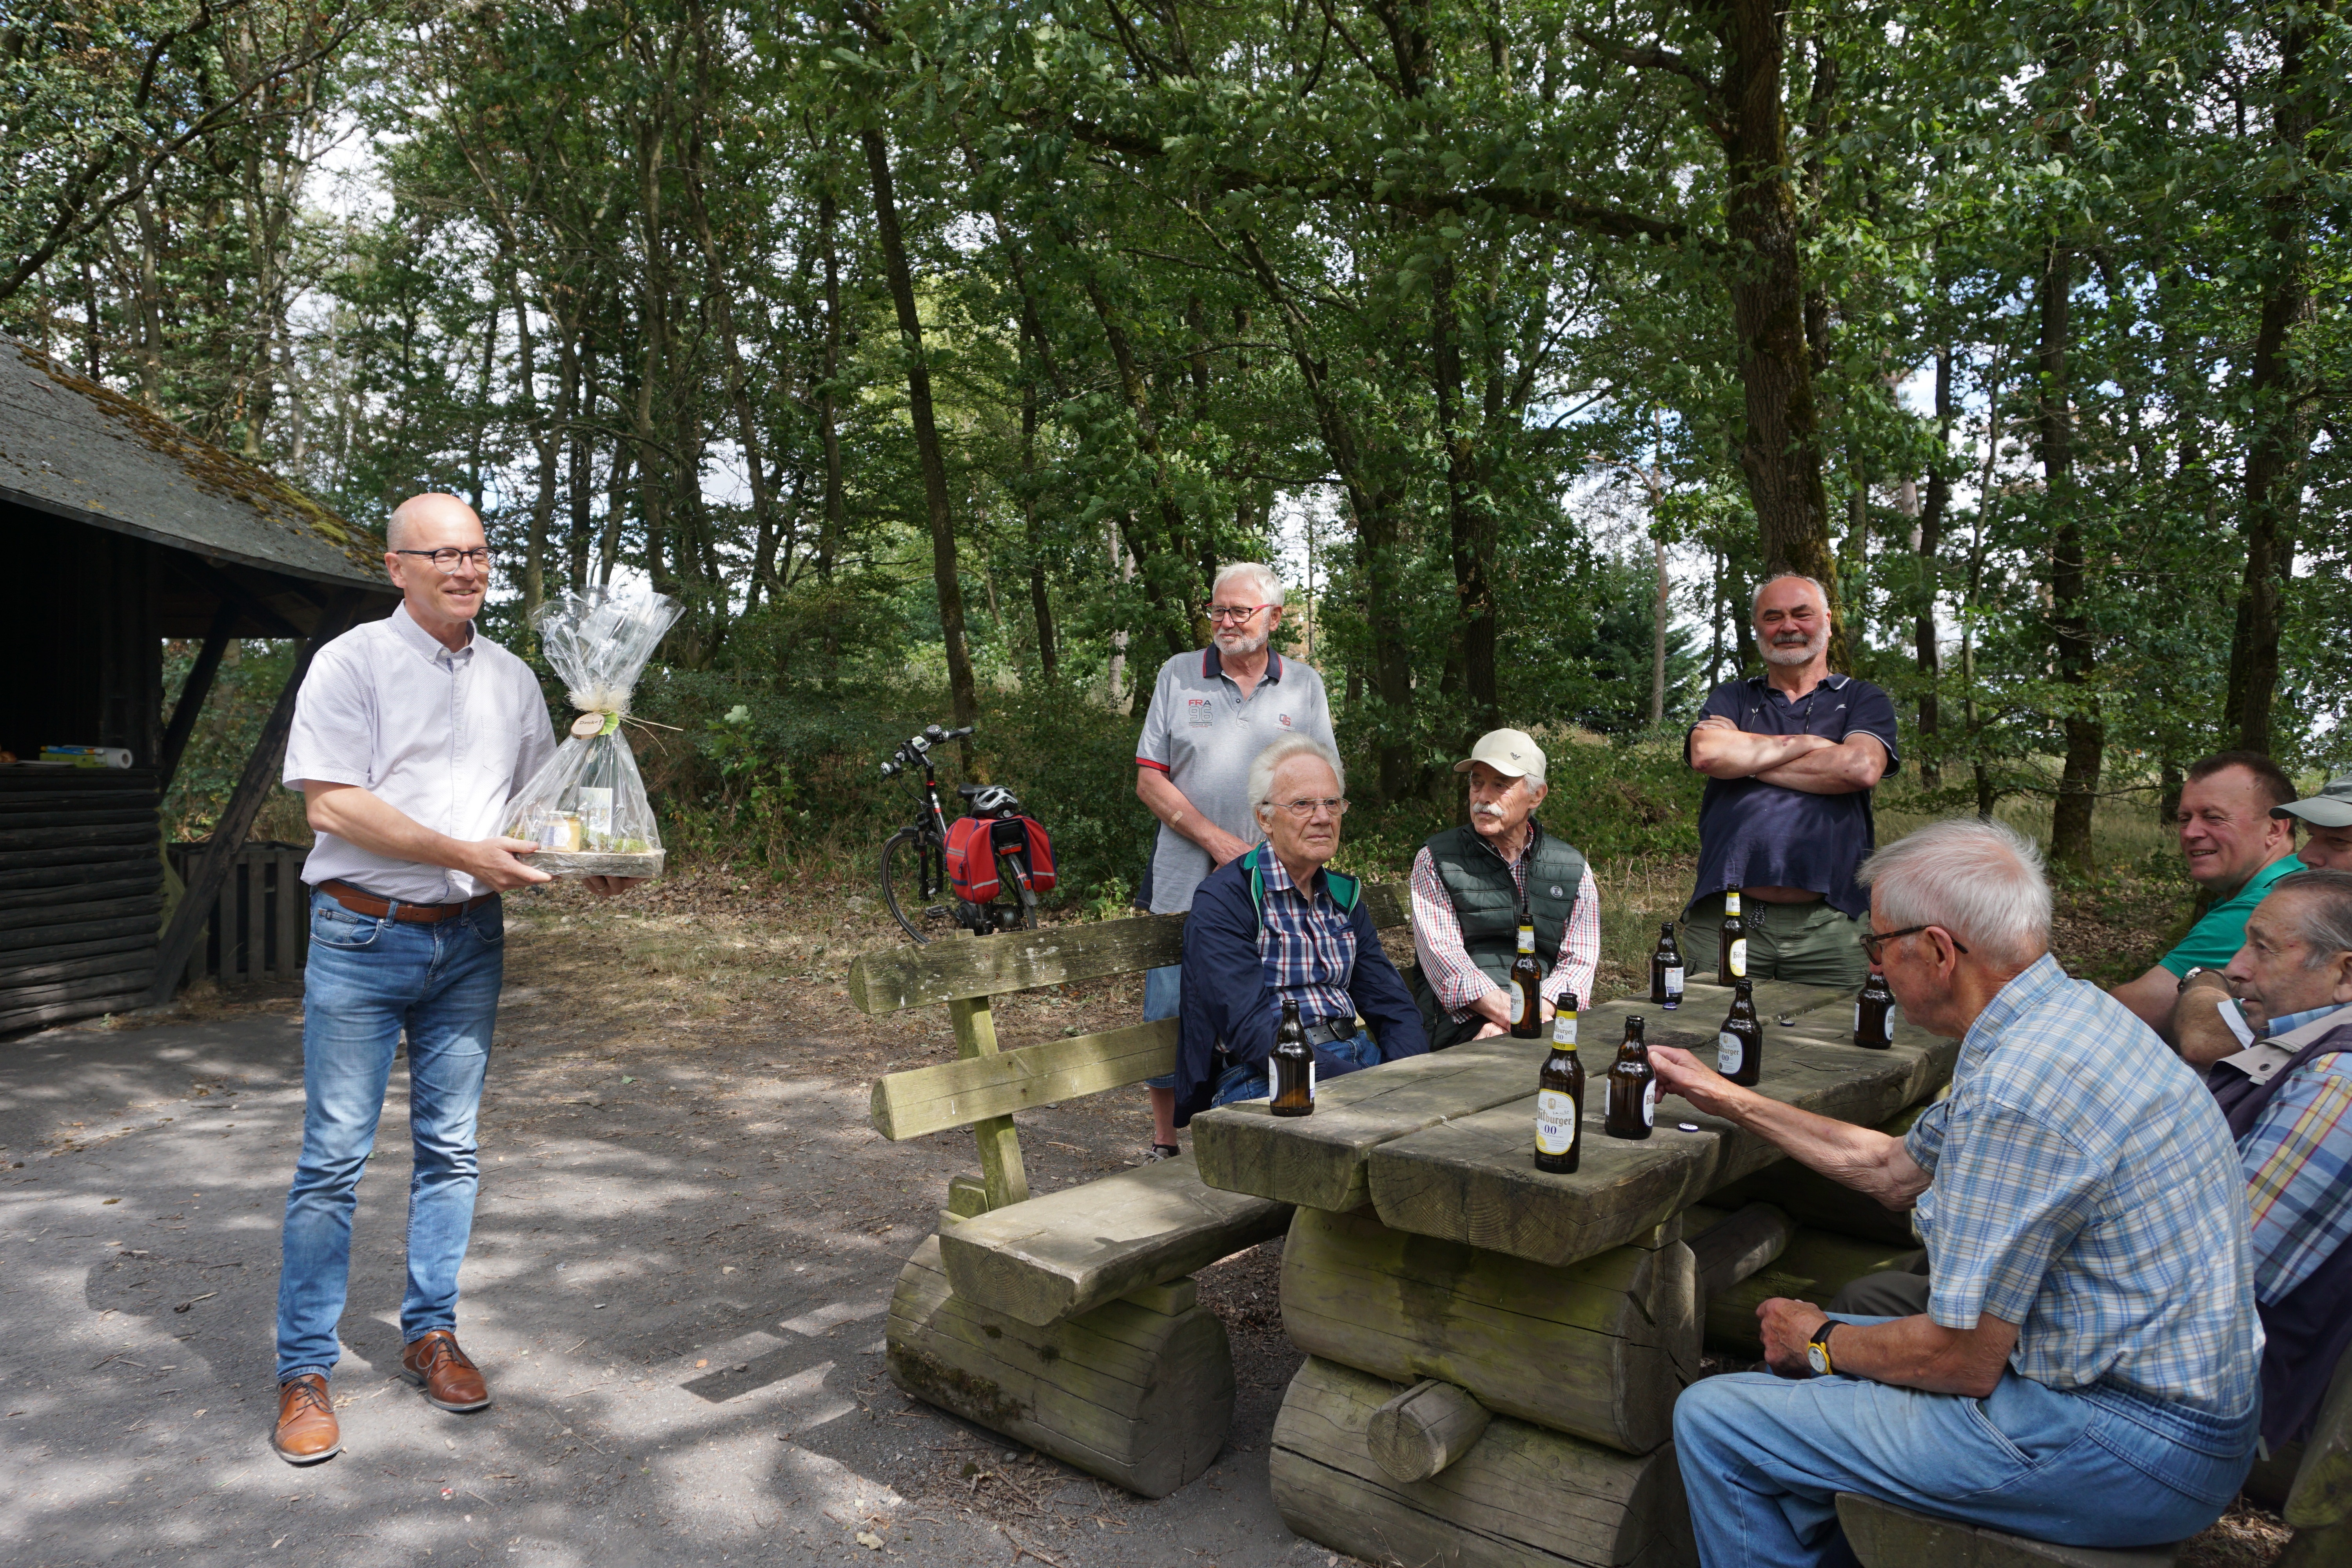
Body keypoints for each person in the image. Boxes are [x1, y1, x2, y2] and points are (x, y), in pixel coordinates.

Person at [1651, 818, 2260, 1566]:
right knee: (1806, 1375)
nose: (1871, 965)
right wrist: (1727, 1099)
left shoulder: (2021, 1089)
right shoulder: (2064, 1018)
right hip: (2170, 1413)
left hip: (2122, 1445)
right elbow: (1892, 1171)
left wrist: (1819, 1342)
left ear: (1938, 951)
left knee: (1721, 1419)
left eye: (1877, 945)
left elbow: (1961, 1360)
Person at [269, 494, 641, 1466]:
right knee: (334, 1158)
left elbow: (531, 810)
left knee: (453, 1148)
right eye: (443, 554)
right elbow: (331, 804)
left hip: (469, 939)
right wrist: (461, 851)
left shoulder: (514, 678)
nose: (466, 569)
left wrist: (591, 852)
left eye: (477, 552)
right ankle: (304, 1369)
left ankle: (430, 1331)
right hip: (361, 932)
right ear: (397, 566)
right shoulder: (351, 662)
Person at [1133, 563, 1334, 1158]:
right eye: (1217, 610)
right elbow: (1150, 778)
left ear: (1273, 618)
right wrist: (1218, 842)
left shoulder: (1304, 686)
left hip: (1275, 875)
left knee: (1268, 996)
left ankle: (1254, 1136)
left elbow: (1319, 781)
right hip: (1182, 872)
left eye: (1238, 611)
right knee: (1170, 1001)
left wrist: (1284, 850)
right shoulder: (1178, 675)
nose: (1223, 622)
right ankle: (1166, 1144)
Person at [1172, 735, 1426, 1120]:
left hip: (1361, 1061)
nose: (1323, 817)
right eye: (1303, 804)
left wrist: (1404, 1077)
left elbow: (1393, 1007)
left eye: (1332, 803)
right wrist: (1362, 1086)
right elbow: (1252, 1030)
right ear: (1265, 818)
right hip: (1267, 1077)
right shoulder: (1227, 900)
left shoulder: (1343, 897)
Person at [1683, 574, 1897, 991]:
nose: (1788, 627)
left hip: (1832, 925)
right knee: (1704, 1037)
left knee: (1840, 1051)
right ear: (1757, 628)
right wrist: (1810, 744)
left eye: (1802, 614)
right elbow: (1707, 753)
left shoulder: (1862, 699)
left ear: (1829, 621)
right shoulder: (1734, 697)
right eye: (1773, 617)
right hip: (1726, 919)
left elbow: (1860, 769)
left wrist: (1746, 761)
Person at [1406, 728, 1599, 1049]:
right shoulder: (1436, 860)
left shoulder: (1571, 866)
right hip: (1466, 1021)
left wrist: (1533, 1015)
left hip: (1549, 1014)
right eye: (1477, 782)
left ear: (1536, 796)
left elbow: (1579, 962)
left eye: (1500, 785)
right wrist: (1516, 1017)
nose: (1483, 797)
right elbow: (1447, 963)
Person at [2110, 751, 2303, 1044]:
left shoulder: (2263, 907)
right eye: (2184, 819)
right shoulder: (2304, 880)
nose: (2190, 832)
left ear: (2275, 829)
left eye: (2213, 818)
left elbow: (2124, 1015)